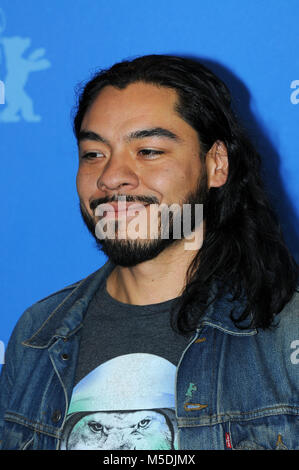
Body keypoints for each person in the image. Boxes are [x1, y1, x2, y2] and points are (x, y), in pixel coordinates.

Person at [0, 54, 298, 451]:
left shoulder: (287, 332)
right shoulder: (36, 336)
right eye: (94, 154)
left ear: (216, 164)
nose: (111, 176)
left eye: (149, 151)